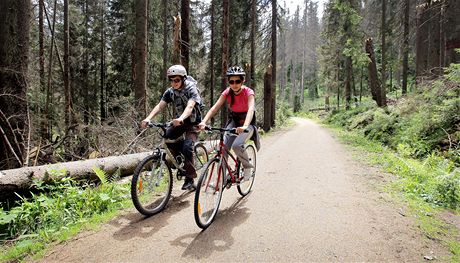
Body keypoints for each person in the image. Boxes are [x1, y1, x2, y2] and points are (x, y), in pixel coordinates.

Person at [141, 65, 203, 190]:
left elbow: (190, 106)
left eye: (177, 80)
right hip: (179, 122)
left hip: (192, 123)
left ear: (183, 79)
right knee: (167, 137)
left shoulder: (191, 89)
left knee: (187, 146)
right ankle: (181, 160)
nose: (174, 83)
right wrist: (148, 118)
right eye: (172, 80)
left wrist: (181, 118)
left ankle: (190, 178)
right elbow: (160, 106)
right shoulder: (170, 92)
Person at [198, 66, 259, 181]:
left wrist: (245, 125)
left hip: (248, 124)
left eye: (238, 81)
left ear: (243, 81)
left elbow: (251, 109)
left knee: (237, 145)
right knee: (224, 148)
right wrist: (203, 121)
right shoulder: (227, 92)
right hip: (234, 122)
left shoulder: (248, 92)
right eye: (231, 81)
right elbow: (214, 108)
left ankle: (247, 167)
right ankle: (221, 180)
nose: (234, 84)